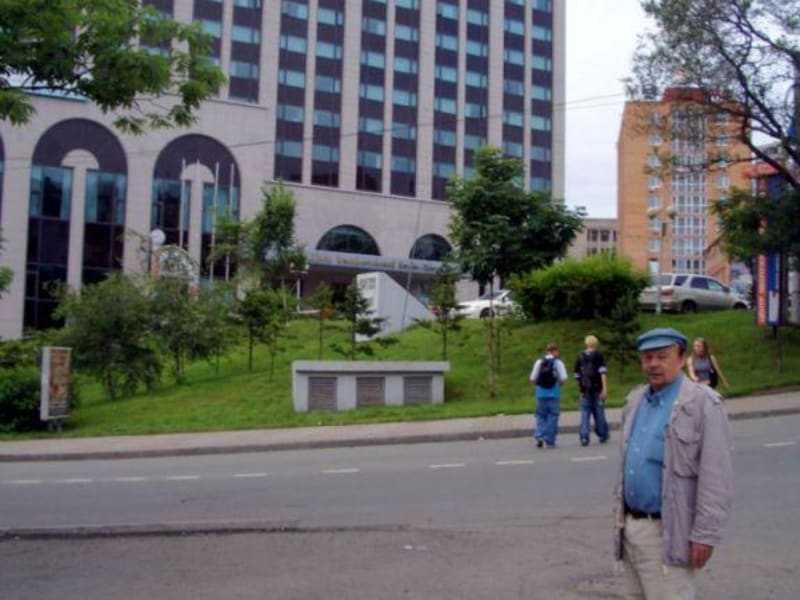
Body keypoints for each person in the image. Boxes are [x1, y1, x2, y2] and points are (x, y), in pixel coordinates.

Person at [613, 328, 734, 599]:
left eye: (662, 356)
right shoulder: (635, 401)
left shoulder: (703, 404)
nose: (654, 364)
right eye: (647, 358)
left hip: (668, 531)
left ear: (681, 359)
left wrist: (705, 535)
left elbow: (716, 477)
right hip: (630, 529)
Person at [529, 342, 568, 448]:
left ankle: (539, 435)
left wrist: (538, 385)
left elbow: (532, 378)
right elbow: (564, 378)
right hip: (554, 393)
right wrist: (559, 384)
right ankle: (550, 439)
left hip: (540, 393)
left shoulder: (539, 362)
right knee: (553, 416)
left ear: (547, 351)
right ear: (555, 351)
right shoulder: (558, 362)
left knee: (541, 415)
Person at [573, 334, 610, 446]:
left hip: (584, 390)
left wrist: (580, 388)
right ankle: (602, 434)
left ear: (586, 344)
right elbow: (602, 373)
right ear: (596, 344)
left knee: (585, 414)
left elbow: (576, 375)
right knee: (599, 412)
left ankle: (584, 437)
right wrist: (604, 389)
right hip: (597, 388)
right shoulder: (598, 355)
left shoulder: (580, 356)